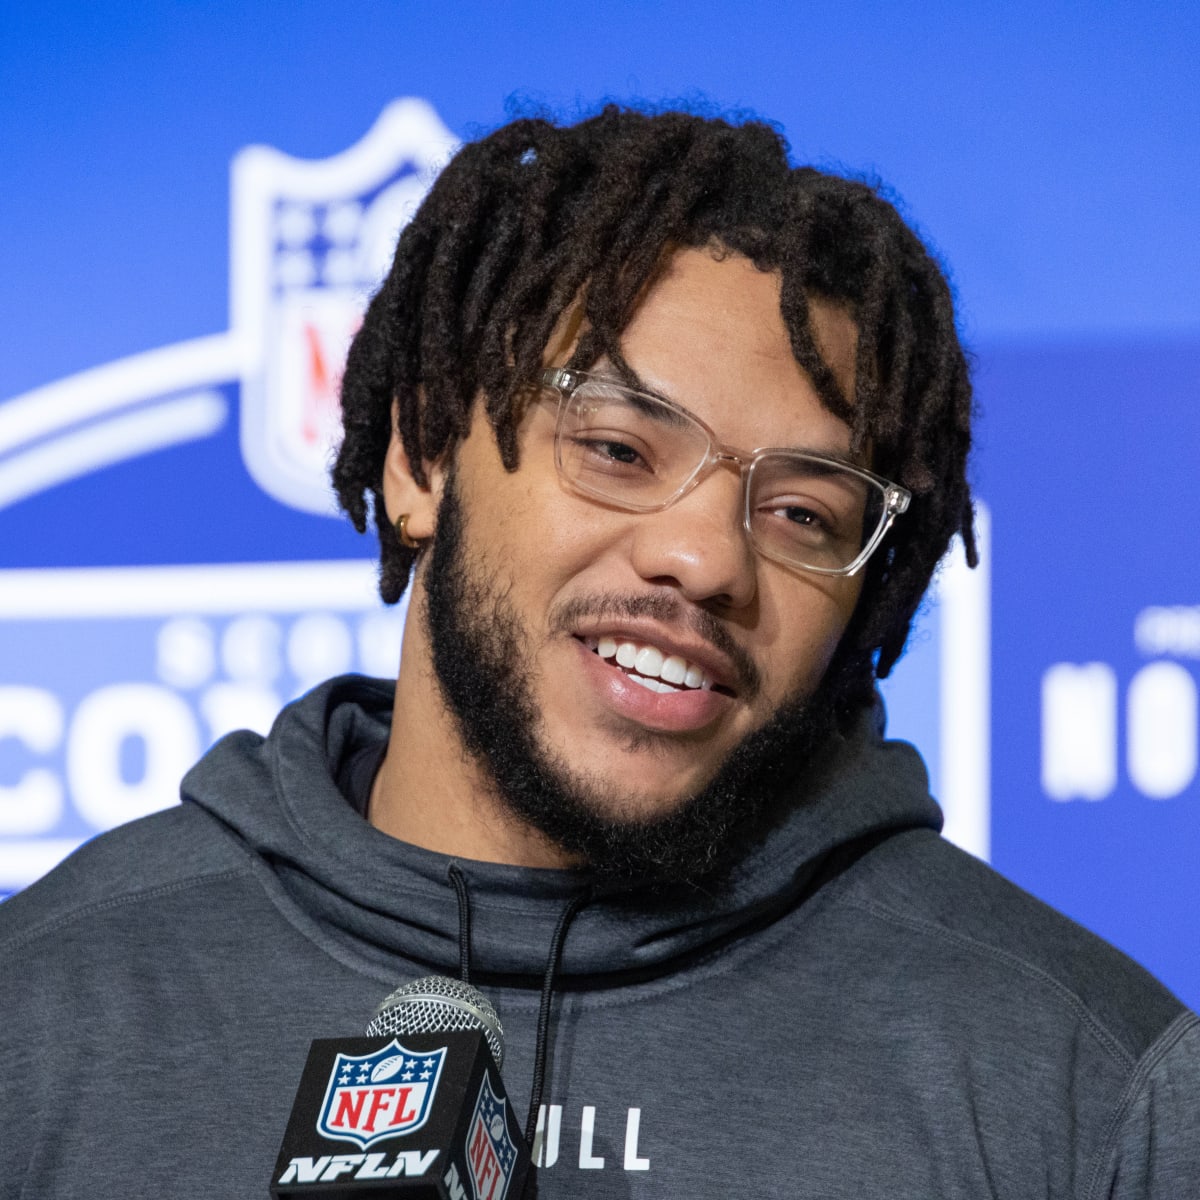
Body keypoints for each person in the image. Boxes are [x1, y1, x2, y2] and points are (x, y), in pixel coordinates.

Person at [1, 106, 1196, 1199]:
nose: (706, 561)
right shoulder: (38, 1019)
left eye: (803, 515)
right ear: (421, 459)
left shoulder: (1094, 1091)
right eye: (620, 447)